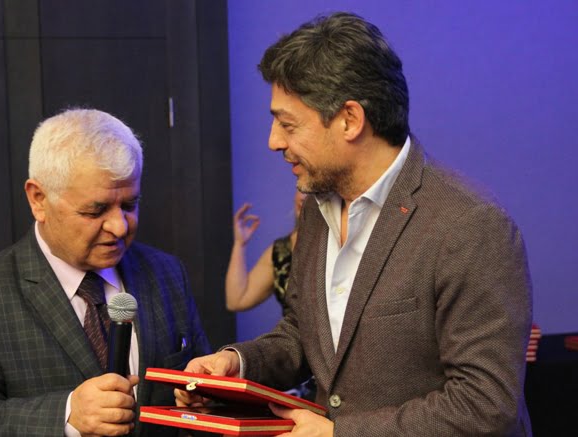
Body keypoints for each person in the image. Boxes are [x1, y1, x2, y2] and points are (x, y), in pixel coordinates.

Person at [176, 12, 533, 436]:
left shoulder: (470, 225)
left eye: (288, 124)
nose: (274, 141)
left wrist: (338, 433)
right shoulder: (316, 210)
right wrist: (238, 364)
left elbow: (485, 404)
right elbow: (305, 335)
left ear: (350, 119)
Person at [0, 108, 211, 436]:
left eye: (129, 205)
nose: (119, 227)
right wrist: (67, 417)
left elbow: (201, 395)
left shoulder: (167, 274)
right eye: (96, 210)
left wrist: (206, 397)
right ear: (38, 199)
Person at [225, 190, 306, 314]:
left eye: (313, 189)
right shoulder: (282, 251)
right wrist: (239, 244)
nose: (303, 197)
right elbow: (237, 300)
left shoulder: (336, 246)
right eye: (300, 188)